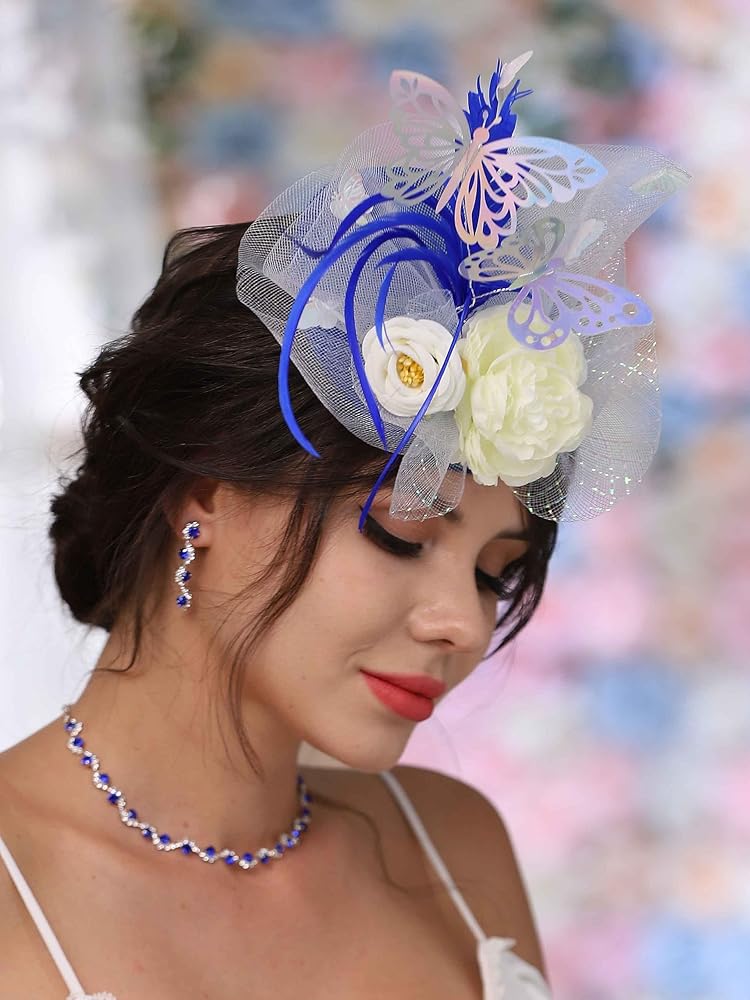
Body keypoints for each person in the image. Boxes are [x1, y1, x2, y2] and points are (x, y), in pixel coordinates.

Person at [0, 56, 685, 999]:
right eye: (402, 535)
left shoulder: (453, 848)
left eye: (494, 573)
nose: (464, 624)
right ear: (203, 495)